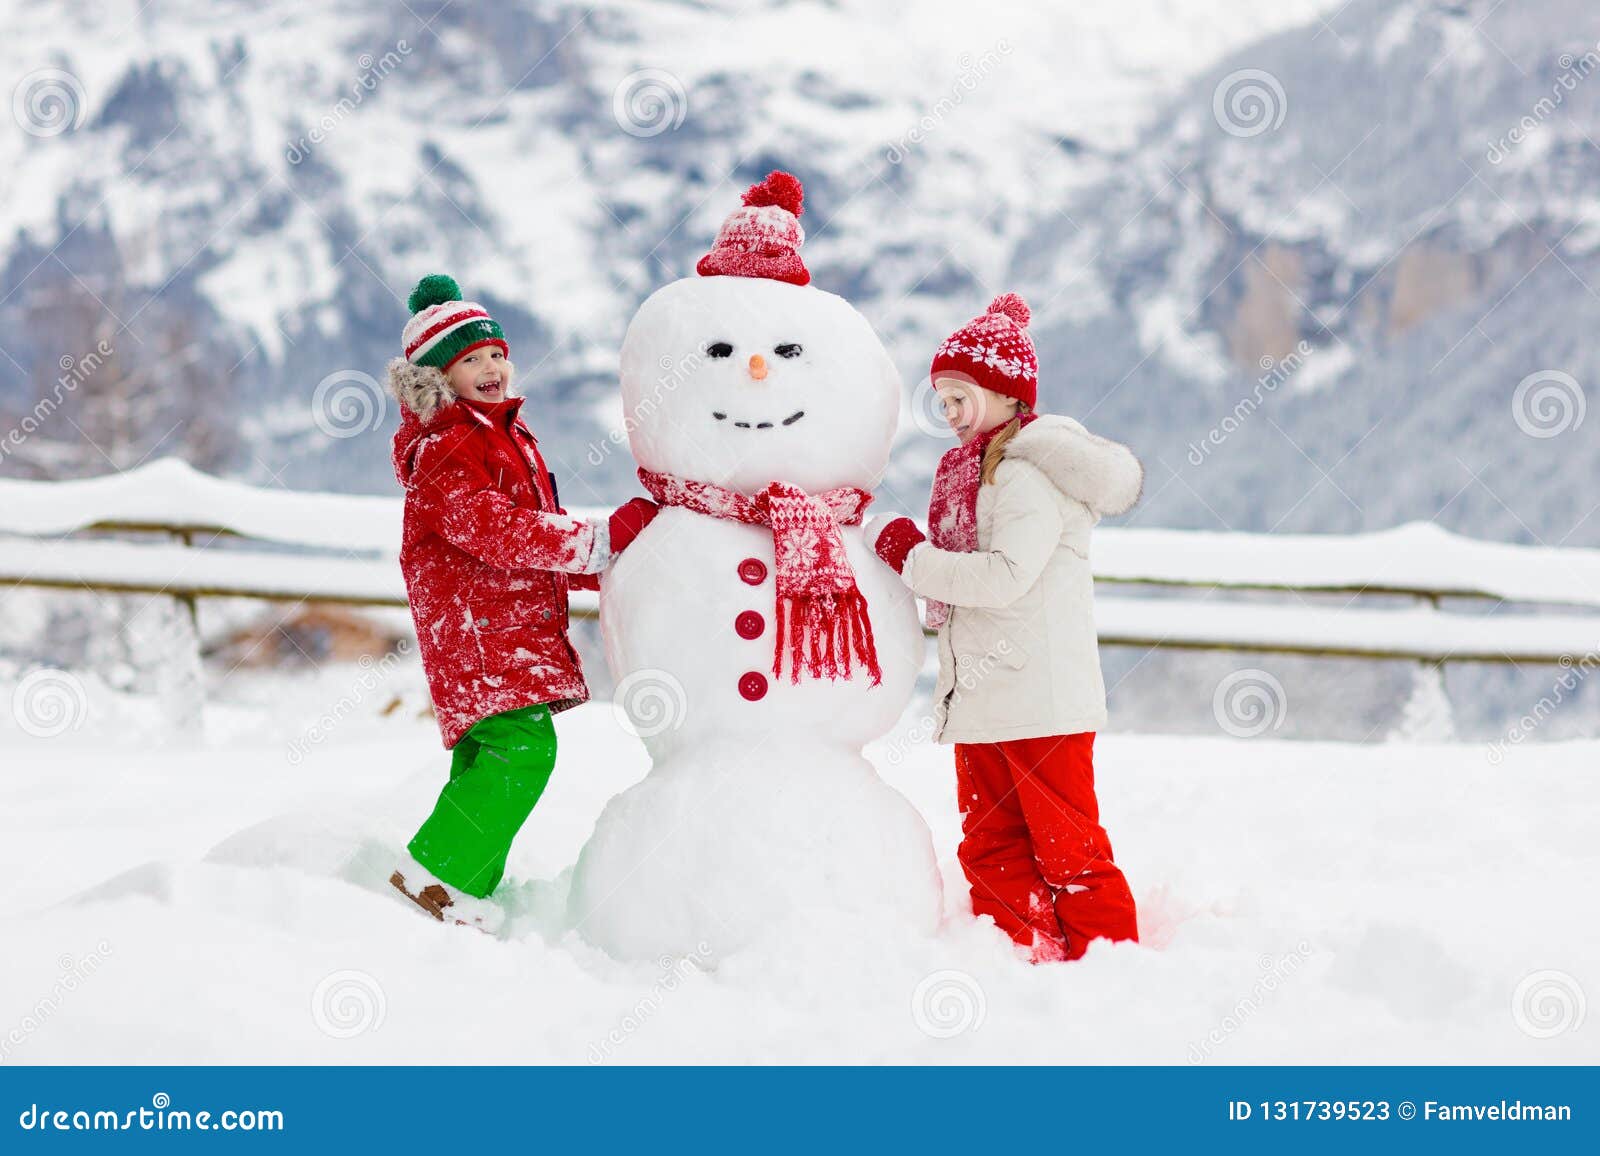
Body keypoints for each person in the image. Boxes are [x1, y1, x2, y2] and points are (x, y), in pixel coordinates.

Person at [865, 292, 1143, 962]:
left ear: (1003, 391)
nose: (951, 414)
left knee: (1067, 846)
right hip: (986, 698)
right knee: (989, 846)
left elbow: (1002, 576)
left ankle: (1111, 965)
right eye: (944, 400)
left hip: (1041, 700)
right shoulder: (974, 475)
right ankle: (1021, 959)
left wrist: (911, 556)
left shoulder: (1025, 476)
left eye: (962, 396)